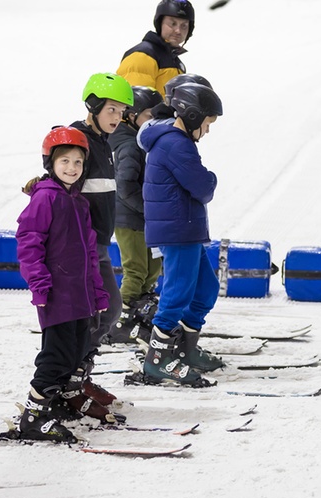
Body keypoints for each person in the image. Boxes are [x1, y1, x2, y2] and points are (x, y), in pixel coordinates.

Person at [16, 127, 119, 442]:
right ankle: (32, 417)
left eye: (77, 162)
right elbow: (28, 243)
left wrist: (98, 293)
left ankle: (56, 404)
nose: (72, 168)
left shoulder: (78, 203)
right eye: (65, 161)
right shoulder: (45, 198)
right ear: (51, 163)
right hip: (58, 295)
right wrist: (39, 284)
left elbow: (90, 254)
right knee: (56, 356)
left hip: (81, 296)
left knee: (75, 353)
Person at [138, 82, 226, 387]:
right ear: (191, 116)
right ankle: (158, 360)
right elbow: (203, 187)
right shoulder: (176, 144)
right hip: (178, 230)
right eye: (207, 123)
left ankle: (186, 350)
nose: (208, 131)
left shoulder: (175, 142)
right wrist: (212, 178)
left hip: (186, 228)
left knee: (205, 289)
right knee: (177, 293)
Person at [70, 73, 133, 403]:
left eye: (121, 112)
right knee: (96, 312)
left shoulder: (102, 143)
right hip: (82, 246)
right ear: (93, 106)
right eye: (111, 109)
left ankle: (78, 377)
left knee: (107, 310)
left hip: (100, 244)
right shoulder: (76, 139)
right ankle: (68, 381)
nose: (117, 118)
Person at [107, 86, 165, 345]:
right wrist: (148, 208)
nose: (154, 121)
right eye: (149, 115)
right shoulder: (130, 146)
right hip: (128, 219)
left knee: (153, 269)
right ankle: (119, 321)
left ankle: (141, 316)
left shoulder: (143, 141)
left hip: (143, 218)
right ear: (130, 115)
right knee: (136, 270)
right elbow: (125, 186)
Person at [117, 0, 196, 97]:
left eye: (184, 26)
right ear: (160, 23)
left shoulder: (175, 63)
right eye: (172, 24)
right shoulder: (143, 55)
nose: (178, 31)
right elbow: (136, 102)